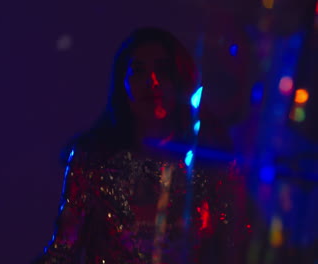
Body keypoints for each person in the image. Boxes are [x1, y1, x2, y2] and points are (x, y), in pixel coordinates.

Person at [32, 27, 251, 264]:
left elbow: (235, 248)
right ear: (122, 82)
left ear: (180, 81)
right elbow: (63, 249)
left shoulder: (211, 166)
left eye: (163, 71)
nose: (152, 81)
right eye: (138, 70)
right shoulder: (93, 159)